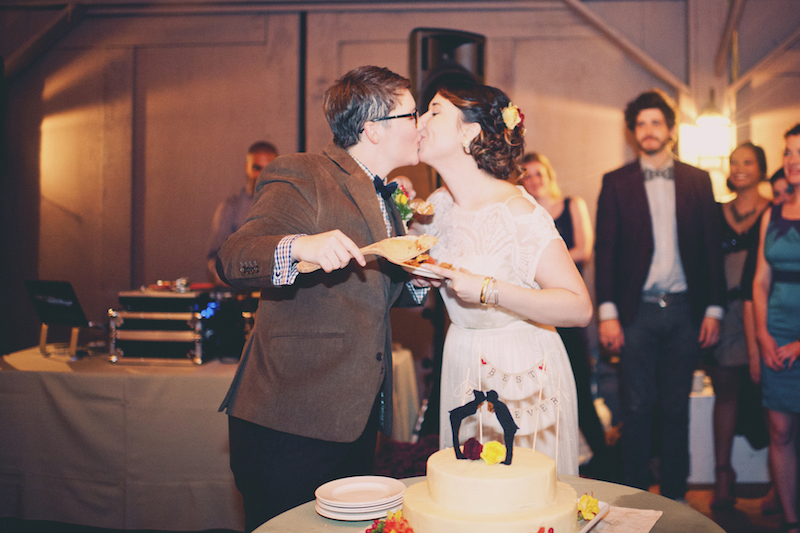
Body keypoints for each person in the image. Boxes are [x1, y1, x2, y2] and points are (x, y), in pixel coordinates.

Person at [215, 66, 424, 531]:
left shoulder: (388, 197)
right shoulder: (304, 173)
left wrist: (422, 277)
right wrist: (299, 246)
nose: (422, 123)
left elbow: (371, 293)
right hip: (290, 420)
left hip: (354, 417)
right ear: (373, 129)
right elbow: (234, 256)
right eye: (413, 114)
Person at [412, 80, 593, 476]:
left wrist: (488, 290)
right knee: (468, 495)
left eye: (434, 111)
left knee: (521, 500)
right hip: (461, 360)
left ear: (470, 132)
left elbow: (578, 307)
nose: (419, 120)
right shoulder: (435, 208)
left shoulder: (517, 211)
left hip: (522, 371)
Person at [594, 89, 725, 500]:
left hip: (686, 312)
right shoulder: (615, 182)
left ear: (669, 130)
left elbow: (711, 247)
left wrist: (715, 309)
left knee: (675, 410)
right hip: (636, 314)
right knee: (635, 409)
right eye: (641, 124)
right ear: (633, 133)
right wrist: (609, 313)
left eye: (656, 122)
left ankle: (675, 501)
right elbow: (606, 250)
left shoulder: (698, 181)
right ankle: (634, 501)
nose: (648, 130)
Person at [518, 152, 611, 474]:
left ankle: (604, 462)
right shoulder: (523, 213)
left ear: (549, 175)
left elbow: (585, 249)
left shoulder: (572, 205)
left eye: (538, 173)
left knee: (580, 388)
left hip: (568, 311)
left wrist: (541, 266)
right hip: (534, 314)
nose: (533, 179)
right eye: (526, 175)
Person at [707, 142, 771, 510]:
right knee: (725, 392)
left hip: (765, 313)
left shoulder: (775, 210)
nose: (739, 168)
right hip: (727, 314)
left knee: (772, 398)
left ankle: (779, 484)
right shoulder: (715, 212)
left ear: (761, 169)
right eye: (734, 162)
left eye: (747, 162)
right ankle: (721, 475)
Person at [752, 123, 800, 533]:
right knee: (781, 430)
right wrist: (764, 335)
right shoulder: (773, 212)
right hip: (776, 331)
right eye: (788, 152)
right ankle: (791, 521)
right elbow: (760, 281)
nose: (793, 160)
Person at [206, 141, 278, 285]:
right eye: (257, 168)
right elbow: (214, 259)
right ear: (247, 168)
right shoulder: (231, 207)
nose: (262, 174)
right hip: (240, 292)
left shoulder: (288, 207)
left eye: (268, 168)